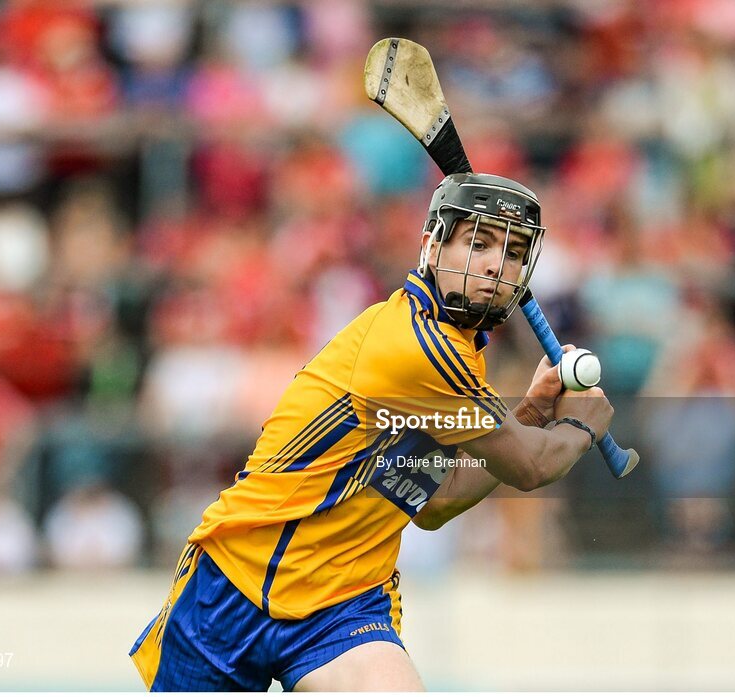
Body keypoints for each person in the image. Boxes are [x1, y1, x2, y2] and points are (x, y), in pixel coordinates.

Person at [129, 172, 614, 691]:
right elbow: (531, 466)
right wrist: (582, 424)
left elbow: (435, 502)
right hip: (237, 582)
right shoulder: (420, 349)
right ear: (432, 246)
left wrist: (534, 411)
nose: (497, 264)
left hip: (342, 605)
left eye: (514, 252)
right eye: (479, 243)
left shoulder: (459, 351)